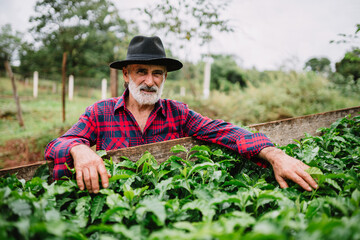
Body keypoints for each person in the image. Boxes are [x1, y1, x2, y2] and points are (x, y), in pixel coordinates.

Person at [44, 35, 318, 194]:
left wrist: (275, 154)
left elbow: (223, 131)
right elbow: (58, 145)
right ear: (126, 74)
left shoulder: (177, 113)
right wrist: (79, 149)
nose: (149, 81)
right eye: (141, 71)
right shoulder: (100, 113)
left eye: (157, 73)